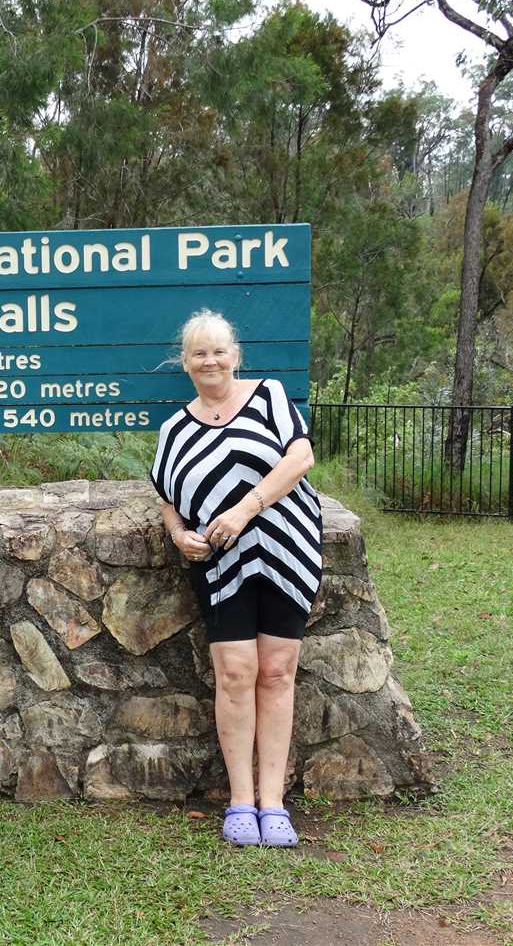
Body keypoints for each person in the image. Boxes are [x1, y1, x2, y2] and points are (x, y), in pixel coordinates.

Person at [149, 309, 321, 847]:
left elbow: (301, 457)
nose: (211, 361)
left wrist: (246, 508)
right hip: (221, 565)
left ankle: (274, 803)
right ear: (185, 363)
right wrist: (179, 534)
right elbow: (166, 498)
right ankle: (241, 802)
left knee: (277, 671)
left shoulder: (269, 396)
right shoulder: (175, 429)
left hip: (287, 551)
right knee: (235, 674)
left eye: (219, 351)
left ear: (235, 355)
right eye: (199, 353)